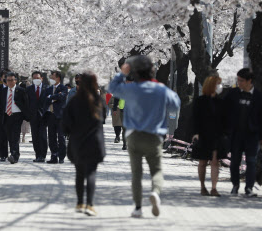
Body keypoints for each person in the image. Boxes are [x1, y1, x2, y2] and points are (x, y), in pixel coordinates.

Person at [109, 55, 180, 218]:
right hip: (154, 136)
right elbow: (175, 105)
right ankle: (155, 192)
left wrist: (122, 73)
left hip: (133, 135)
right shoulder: (161, 89)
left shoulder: (131, 89)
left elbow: (112, 88)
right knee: (156, 170)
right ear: (153, 71)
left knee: (136, 173)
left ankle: (138, 207)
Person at [62, 72, 106, 217]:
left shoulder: (74, 101)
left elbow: (65, 125)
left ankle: (80, 203)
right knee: (91, 173)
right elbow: (102, 120)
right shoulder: (98, 101)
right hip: (93, 142)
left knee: (79, 173)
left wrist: (71, 131)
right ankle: (90, 204)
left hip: (77, 143)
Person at [225, 68, 262, 197]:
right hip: (236, 134)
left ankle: (249, 187)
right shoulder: (233, 94)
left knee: (251, 161)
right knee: (235, 161)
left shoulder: (259, 97)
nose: (239, 83)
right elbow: (224, 112)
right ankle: (235, 185)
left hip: (252, 135)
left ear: (250, 81)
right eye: (238, 80)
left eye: (241, 81)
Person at [192, 75, 227, 197]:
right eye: (217, 84)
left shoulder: (220, 102)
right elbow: (195, 118)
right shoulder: (200, 101)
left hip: (217, 135)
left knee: (215, 161)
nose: (219, 87)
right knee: (202, 161)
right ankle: (202, 187)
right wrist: (195, 133)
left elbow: (224, 120)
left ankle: (214, 188)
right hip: (203, 135)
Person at [2, 72, 30, 164]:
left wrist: (27, 115)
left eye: (12, 80)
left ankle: (14, 155)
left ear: (15, 81)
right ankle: (14, 153)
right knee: (10, 136)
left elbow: (26, 103)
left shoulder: (21, 90)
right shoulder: (3, 91)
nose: (10, 82)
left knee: (15, 135)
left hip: (17, 115)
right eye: (8, 80)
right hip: (7, 115)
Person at [43, 71, 67, 164]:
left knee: (61, 137)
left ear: (58, 78)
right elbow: (45, 98)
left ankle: (61, 156)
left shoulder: (63, 88)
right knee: (51, 137)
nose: (51, 79)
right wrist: (53, 97)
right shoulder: (48, 89)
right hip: (50, 115)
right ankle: (54, 155)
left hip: (60, 116)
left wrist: (52, 97)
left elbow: (61, 97)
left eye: (53, 77)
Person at [26, 71, 48, 162]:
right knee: (35, 136)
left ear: (42, 78)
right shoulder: (29, 89)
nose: (36, 80)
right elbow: (26, 102)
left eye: (38, 78)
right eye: (34, 78)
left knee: (42, 136)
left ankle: (43, 155)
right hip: (33, 115)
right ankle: (38, 155)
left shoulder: (47, 88)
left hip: (44, 115)